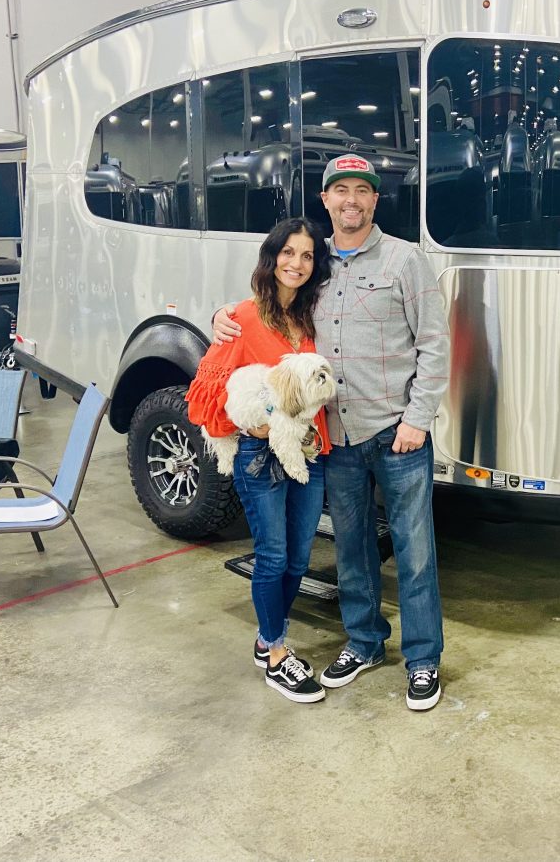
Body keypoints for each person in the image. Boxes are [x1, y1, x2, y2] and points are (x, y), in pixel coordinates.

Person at [214, 154, 450, 711]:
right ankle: (364, 642)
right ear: (325, 199)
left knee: (415, 551)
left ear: (375, 200)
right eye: (340, 190)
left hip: (396, 433)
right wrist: (225, 314)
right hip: (334, 438)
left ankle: (423, 660)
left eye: (361, 191)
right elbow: (270, 307)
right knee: (352, 549)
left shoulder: (405, 260)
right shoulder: (314, 265)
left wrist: (417, 420)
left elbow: (435, 345)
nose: (351, 200)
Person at [188, 218, 332, 704]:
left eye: (307, 255)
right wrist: (249, 424)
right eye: (288, 252)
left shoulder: (311, 318)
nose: (297, 263)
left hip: (311, 451)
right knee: (272, 555)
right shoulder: (243, 318)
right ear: (271, 258)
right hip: (260, 458)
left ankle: (269, 635)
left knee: (299, 556)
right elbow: (204, 392)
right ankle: (276, 655)